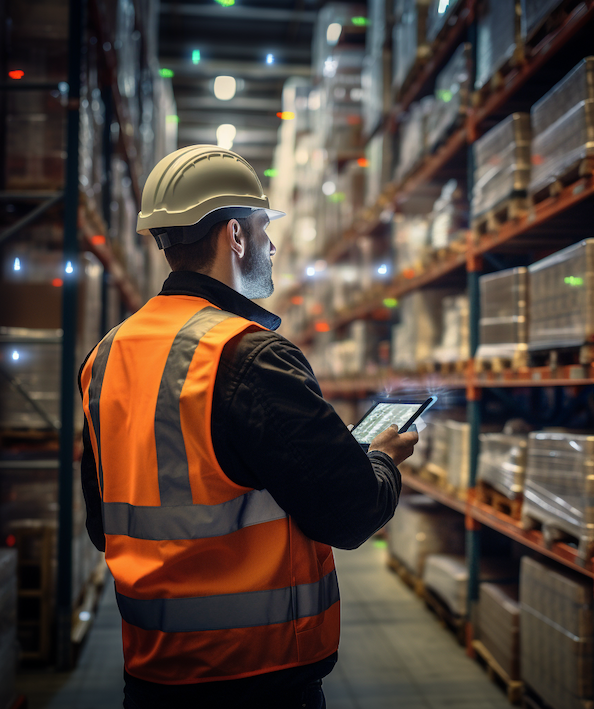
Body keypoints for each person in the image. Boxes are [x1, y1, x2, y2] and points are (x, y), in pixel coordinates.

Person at [78, 145, 419, 709]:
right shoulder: (248, 356)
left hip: (152, 674)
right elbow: (351, 511)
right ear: (235, 235)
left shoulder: (106, 355)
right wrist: (380, 459)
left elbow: (103, 522)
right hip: (257, 676)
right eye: (264, 228)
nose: (273, 245)